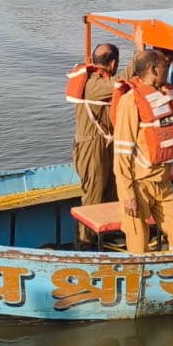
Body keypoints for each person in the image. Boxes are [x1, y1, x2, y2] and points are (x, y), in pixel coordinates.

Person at [113, 48, 173, 253]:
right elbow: (121, 153)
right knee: (138, 241)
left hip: (163, 183)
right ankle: (138, 279)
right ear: (154, 69)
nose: (169, 67)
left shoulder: (169, 93)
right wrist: (127, 194)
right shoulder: (130, 101)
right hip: (139, 185)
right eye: (166, 64)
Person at [67, 43, 121, 243]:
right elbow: (122, 82)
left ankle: (109, 233)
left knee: (112, 189)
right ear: (114, 63)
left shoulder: (97, 79)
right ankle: (85, 241)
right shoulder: (93, 84)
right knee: (94, 194)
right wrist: (140, 54)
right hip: (92, 145)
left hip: (104, 143)